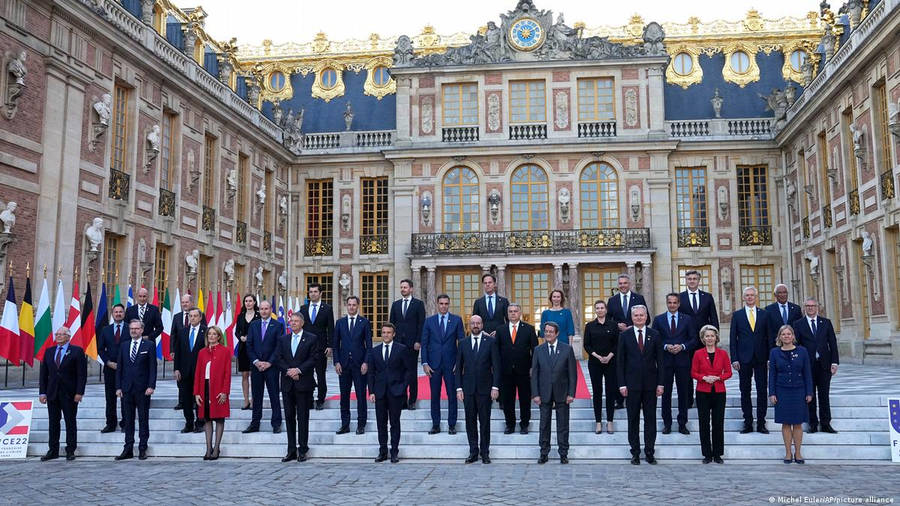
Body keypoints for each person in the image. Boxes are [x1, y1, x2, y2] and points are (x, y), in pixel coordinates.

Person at [617, 305, 664, 465]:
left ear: (646, 316)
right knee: (633, 420)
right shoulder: (624, 336)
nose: (639, 318)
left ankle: (650, 452)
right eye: (636, 315)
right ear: (632, 317)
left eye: (641, 315)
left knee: (650, 420)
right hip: (631, 385)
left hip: (651, 385)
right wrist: (622, 384)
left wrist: (661, 383)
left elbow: (661, 361)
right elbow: (620, 362)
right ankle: (635, 452)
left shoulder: (655, 334)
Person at [729, 286, 775, 434]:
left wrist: (770, 357)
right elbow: (733, 339)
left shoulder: (765, 314)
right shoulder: (737, 315)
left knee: (762, 390)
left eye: (752, 295)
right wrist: (734, 358)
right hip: (743, 358)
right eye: (747, 295)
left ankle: (761, 422)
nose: (749, 297)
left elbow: (770, 337)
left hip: (761, 358)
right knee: (745, 391)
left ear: (756, 297)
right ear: (743, 297)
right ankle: (747, 422)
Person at [455, 315, 501, 464]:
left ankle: (485, 452)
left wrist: (495, 387)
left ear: (482, 325)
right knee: (470, 422)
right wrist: (458, 388)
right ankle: (473, 452)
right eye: (473, 323)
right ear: (469, 325)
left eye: (478, 323)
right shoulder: (463, 343)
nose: (475, 325)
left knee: (485, 422)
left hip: (485, 389)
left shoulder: (491, 342)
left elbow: (497, 366)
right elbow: (458, 368)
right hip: (468, 389)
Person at [531, 321, 577, 464]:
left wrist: (571, 393)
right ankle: (544, 452)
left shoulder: (567, 349)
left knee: (563, 425)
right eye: (546, 331)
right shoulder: (538, 350)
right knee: (544, 425)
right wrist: (535, 394)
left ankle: (563, 453)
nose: (548, 334)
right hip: (544, 393)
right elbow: (534, 374)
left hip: (562, 393)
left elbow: (572, 374)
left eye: (551, 331)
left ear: (557, 334)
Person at [38, 327, 87, 461]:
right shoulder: (49, 351)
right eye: (57, 334)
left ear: (68, 337)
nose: (58, 336)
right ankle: (53, 450)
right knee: (53, 422)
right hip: (52, 393)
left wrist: (79, 392)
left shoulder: (77, 351)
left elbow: (81, 374)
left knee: (70, 422)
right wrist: (42, 392)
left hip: (69, 393)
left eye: (62, 334)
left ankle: (70, 450)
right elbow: (43, 374)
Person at [793, 298, 839, 434]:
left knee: (824, 395)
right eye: (808, 306)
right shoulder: (798, 324)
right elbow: (796, 345)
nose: (810, 308)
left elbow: (832, 343)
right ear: (804, 308)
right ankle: (812, 423)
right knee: (809, 395)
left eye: (813, 306)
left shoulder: (826, 322)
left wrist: (834, 362)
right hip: (807, 366)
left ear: (817, 307)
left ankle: (826, 423)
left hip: (824, 365)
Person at [653, 293, 697, 435]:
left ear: (679, 304)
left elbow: (693, 339)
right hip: (665, 361)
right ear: (666, 303)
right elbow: (654, 339)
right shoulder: (658, 319)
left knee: (683, 393)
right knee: (665, 393)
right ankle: (667, 424)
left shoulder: (687, 319)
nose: (672, 305)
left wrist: (682, 346)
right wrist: (666, 346)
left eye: (675, 302)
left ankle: (682, 423)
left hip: (682, 361)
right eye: (670, 302)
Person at [769, 325, 813, 464]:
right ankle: (788, 453)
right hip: (782, 391)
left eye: (789, 334)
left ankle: (798, 453)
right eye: (783, 334)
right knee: (786, 423)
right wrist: (772, 393)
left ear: (793, 336)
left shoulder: (802, 351)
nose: (786, 336)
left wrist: (809, 392)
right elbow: (772, 374)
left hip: (799, 390)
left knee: (798, 423)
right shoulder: (774, 352)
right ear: (779, 337)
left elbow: (807, 373)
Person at [276, 313, 318, 462]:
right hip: (287, 383)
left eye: (296, 321)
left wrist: (298, 370)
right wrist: (289, 371)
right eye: (291, 321)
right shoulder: (283, 339)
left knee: (303, 417)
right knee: (289, 417)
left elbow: (314, 358)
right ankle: (291, 450)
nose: (293, 323)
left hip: (303, 384)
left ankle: (303, 449)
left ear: (302, 323)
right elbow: (278, 358)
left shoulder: (311, 338)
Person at [421, 294, 463, 434]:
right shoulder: (429, 321)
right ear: (437, 304)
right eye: (441, 303)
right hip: (433, 365)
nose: (443, 306)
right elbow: (424, 343)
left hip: (451, 365)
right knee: (435, 395)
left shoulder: (456, 320)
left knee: (452, 395)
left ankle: (452, 425)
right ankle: (435, 425)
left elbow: (462, 343)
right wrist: (425, 363)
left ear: (449, 304)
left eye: (446, 303)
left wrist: (459, 362)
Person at [367, 323, 409, 463]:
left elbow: (408, 371)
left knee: (395, 423)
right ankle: (383, 451)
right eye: (384, 332)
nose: (386, 335)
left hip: (396, 392)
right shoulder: (375, 351)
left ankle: (394, 452)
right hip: (379, 393)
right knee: (381, 423)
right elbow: (371, 373)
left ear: (394, 334)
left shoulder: (401, 349)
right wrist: (371, 391)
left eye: (388, 332)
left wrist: (402, 387)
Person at [115, 319, 157, 460]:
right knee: (128, 420)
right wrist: (118, 387)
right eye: (132, 328)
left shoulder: (149, 345)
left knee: (143, 419)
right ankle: (128, 448)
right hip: (126, 389)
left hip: (143, 389)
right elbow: (120, 368)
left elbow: (152, 367)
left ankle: (142, 448)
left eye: (136, 328)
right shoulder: (124, 345)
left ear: (142, 330)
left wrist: (151, 386)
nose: (133, 331)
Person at [691, 325, 732, 464]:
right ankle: (707, 454)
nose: (709, 338)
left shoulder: (723, 353)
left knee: (718, 423)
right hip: (703, 391)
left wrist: (719, 378)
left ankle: (718, 454)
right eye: (707, 336)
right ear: (703, 338)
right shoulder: (698, 353)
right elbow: (693, 372)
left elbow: (728, 372)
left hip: (719, 391)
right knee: (704, 423)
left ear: (716, 338)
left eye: (712, 336)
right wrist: (704, 378)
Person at [496, 303, 538, 434]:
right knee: (508, 399)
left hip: (524, 370)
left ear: (520, 313)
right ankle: (510, 424)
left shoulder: (529, 329)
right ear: (507, 314)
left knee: (525, 399)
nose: (513, 313)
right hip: (506, 370)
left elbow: (535, 350)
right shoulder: (500, 330)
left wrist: (533, 367)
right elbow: (496, 351)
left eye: (515, 311)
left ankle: (524, 424)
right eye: (510, 311)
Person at [333, 295, 372, 435]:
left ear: (358, 306)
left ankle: (361, 424)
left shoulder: (364, 322)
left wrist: (366, 362)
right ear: (346, 306)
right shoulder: (340, 323)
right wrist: (336, 362)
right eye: (349, 304)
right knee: (344, 396)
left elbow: (369, 346)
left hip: (359, 365)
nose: (351, 307)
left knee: (361, 395)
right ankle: (345, 424)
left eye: (354, 305)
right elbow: (335, 345)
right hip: (344, 365)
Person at [244, 300, 284, 434]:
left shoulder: (278, 325)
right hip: (256, 367)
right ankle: (255, 423)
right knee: (256, 396)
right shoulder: (253, 325)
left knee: (274, 395)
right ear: (259, 310)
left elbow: (279, 346)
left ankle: (276, 423)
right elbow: (249, 345)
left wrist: (269, 362)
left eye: (266, 309)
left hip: (271, 367)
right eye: (261, 309)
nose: (264, 311)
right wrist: (256, 362)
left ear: (271, 310)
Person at [193, 325, 232, 460]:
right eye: (209, 334)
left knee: (219, 418)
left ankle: (216, 448)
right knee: (207, 419)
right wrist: (197, 393)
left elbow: (227, 373)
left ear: (219, 336)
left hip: (218, 388)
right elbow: (198, 373)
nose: (211, 336)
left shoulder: (225, 351)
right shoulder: (202, 352)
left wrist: (225, 391)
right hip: (204, 387)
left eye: (214, 334)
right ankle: (208, 448)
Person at [583, 299, 619, 434]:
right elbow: (586, 345)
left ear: (606, 310)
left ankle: (610, 421)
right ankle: (598, 422)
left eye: (602, 308)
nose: (600, 310)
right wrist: (597, 356)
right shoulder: (590, 326)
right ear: (595, 310)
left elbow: (617, 343)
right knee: (597, 392)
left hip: (611, 362)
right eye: (597, 308)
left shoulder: (613, 325)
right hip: (595, 363)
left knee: (610, 392)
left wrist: (609, 356)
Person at [389, 279, 425, 409]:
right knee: (399, 372)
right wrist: (391, 342)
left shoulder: (418, 304)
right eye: (401, 287)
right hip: (398, 344)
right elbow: (391, 324)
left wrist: (418, 341)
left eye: (405, 287)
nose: (403, 289)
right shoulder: (396, 304)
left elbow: (421, 324)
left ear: (411, 289)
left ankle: (412, 400)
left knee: (411, 372)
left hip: (412, 344)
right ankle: (402, 400)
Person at [299, 283, 334, 410]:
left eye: (315, 291)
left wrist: (330, 346)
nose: (313, 294)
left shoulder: (327, 308)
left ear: (320, 293)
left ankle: (320, 399)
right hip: (306, 348)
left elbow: (331, 328)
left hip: (321, 348)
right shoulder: (303, 308)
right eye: (311, 292)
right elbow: (300, 327)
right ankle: (308, 399)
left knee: (320, 375)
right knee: (306, 374)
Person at [174, 308, 206, 433]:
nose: (192, 318)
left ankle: (200, 422)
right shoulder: (182, 332)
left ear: (200, 318)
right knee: (186, 399)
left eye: (195, 316)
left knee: (200, 398)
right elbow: (178, 351)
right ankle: (189, 423)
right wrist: (176, 369)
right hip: (184, 371)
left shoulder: (206, 331)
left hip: (201, 372)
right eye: (191, 316)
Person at [171, 292, 204, 410]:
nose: (184, 304)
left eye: (186, 302)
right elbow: (173, 335)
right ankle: (182, 403)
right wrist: (172, 350)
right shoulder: (177, 318)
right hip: (183, 358)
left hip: (198, 361)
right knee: (182, 384)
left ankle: (195, 403)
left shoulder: (202, 323)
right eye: (183, 302)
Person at [97, 303, 126, 433]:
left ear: (124, 314)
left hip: (126, 370)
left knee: (125, 397)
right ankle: (110, 424)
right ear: (112, 314)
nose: (118, 314)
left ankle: (125, 423)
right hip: (110, 368)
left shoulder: (130, 329)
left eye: (120, 312)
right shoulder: (105, 330)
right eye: (116, 312)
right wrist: (108, 362)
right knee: (110, 398)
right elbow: (100, 349)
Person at [234, 294, 260, 410]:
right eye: (246, 301)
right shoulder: (240, 316)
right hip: (243, 348)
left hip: (255, 348)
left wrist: (250, 337)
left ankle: (254, 401)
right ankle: (246, 401)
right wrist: (241, 337)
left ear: (254, 302)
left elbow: (260, 331)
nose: (248, 303)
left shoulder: (259, 316)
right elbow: (237, 331)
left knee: (255, 375)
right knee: (244, 375)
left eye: (250, 301)